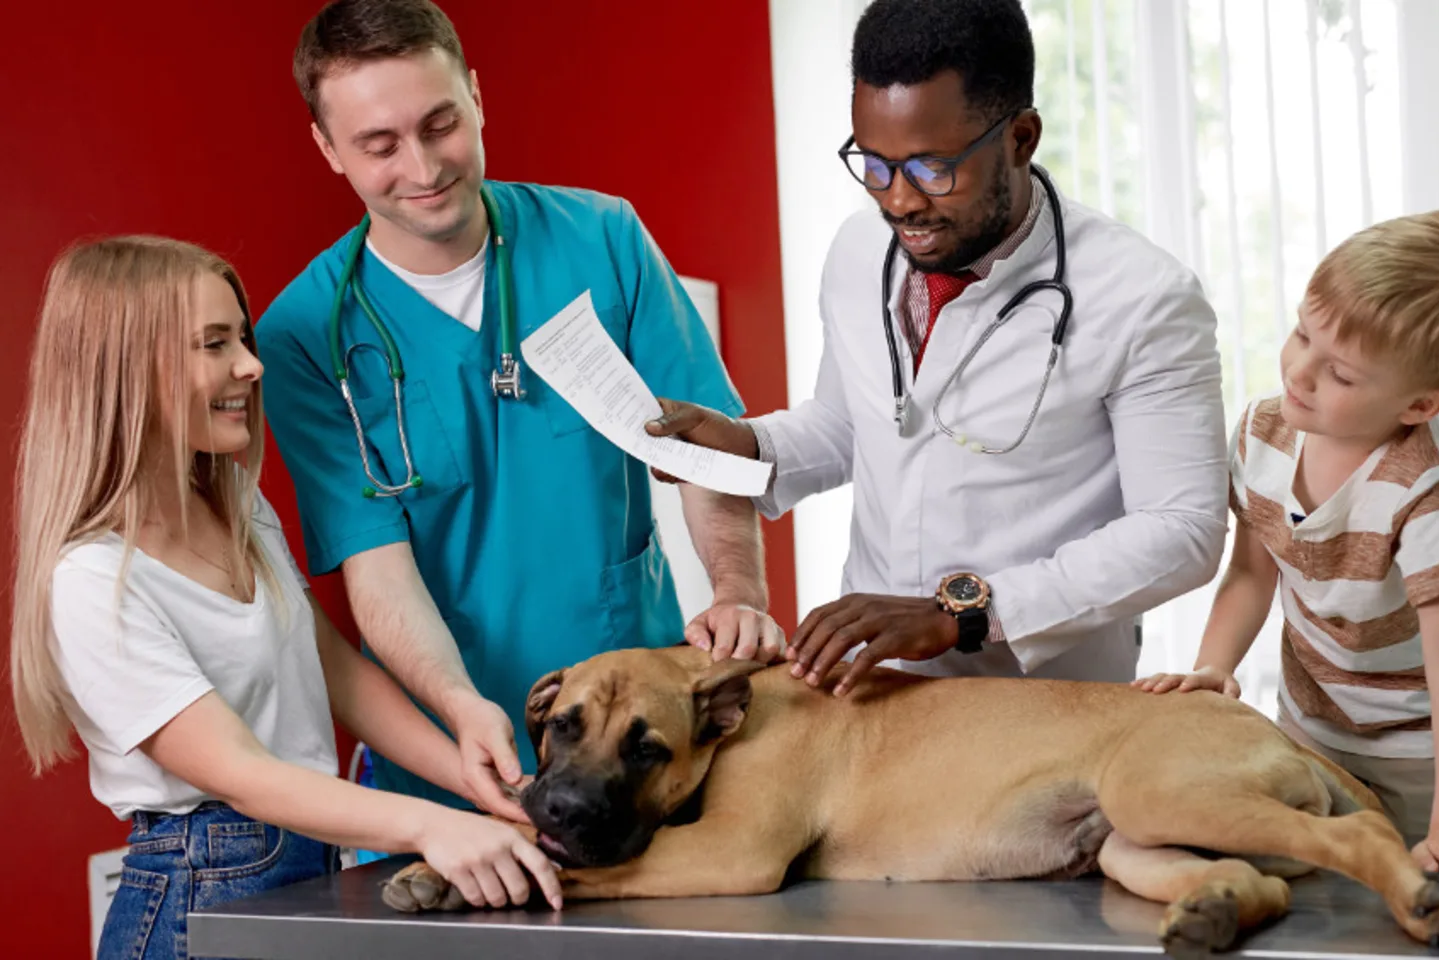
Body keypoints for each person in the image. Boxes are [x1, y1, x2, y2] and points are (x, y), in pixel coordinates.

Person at [257, 0, 781, 820]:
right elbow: (377, 571)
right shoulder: (303, 334)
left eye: (441, 123)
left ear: (475, 94)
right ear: (328, 148)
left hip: (640, 750)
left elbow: (703, 451)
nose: (424, 166)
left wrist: (738, 588)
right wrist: (463, 712)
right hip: (455, 756)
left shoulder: (603, 239)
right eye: (380, 145)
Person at [648, 0, 1227, 694]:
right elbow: (849, 426)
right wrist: (746, 445)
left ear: (1020, 138)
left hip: (1042, 707)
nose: (897, 202)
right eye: (873, 164)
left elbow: (1183, 530)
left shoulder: (1144, 296)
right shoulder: (861, 251)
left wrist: (965, 612)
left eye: (930, 169)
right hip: (873, 690)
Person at [8, 238, 563, 960]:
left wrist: (470, 774)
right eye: (215, 343)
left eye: (241, 337)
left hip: (305, 870)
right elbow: (246, 774)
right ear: (124, 371)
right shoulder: (90, 582)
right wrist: (433, 825)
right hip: (195, 895)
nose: (251, 363)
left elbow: (330, 666)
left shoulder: (236, 501)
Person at [1134, 211, 1439, 884]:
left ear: (1420, 406)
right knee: (1304, 884)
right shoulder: (1264, 433)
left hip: (1414, 755)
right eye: (1302, 332)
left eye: (1342, 374)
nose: (1300, 371)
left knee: (1405, 896)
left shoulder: (1423, 485)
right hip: (1306, 727)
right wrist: (1214, 668)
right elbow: (1250, 571)